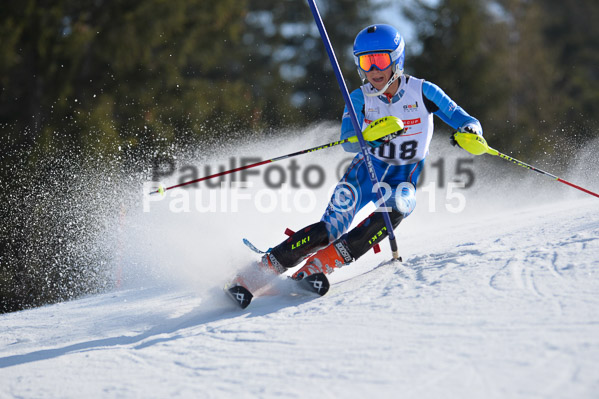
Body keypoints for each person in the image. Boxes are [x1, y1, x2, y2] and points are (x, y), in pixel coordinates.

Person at [238, 24, 482, 291]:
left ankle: (319, 265)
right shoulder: (360, 97)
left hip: (402, 177)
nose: (373, 70)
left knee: (397, 208)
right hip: (364, 174)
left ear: (397, 60)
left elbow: (465, 119)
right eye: (366, 62)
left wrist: (470, 132)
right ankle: (260, 271)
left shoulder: (423, 92)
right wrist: (369, 137)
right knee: (328, 229)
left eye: (380, 60)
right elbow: (348, 139)